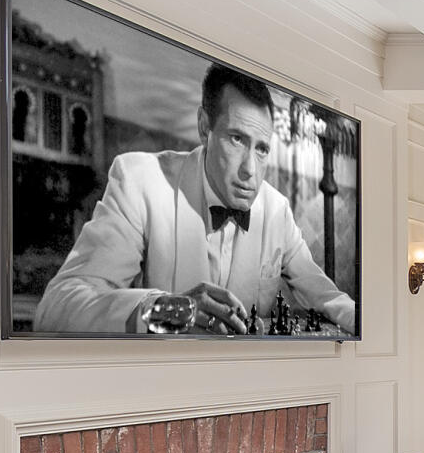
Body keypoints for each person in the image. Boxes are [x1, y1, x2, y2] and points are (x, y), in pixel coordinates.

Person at [35, 64, 357, 336]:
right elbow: (57, 307)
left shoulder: (276, 210)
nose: (251, 172)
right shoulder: (140, 181)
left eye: (261, 149)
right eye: (236, 139)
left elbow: (328, 297)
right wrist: (169, 310)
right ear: (204, 128)